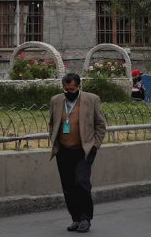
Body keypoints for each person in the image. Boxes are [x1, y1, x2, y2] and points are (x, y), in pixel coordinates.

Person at [49, 73, 106, 233]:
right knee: (68, 187)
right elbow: (52, 124)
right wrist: (54, 141)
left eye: (72, 89)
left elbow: (101, 125)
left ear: (79, 87)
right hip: (63, 151)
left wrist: (95, 146)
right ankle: (75, 218)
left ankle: (85, 218)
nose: (69, 91)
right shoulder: (56, 101)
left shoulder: (91, 99)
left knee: (82, 183)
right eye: (66, 89)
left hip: (84, 150)